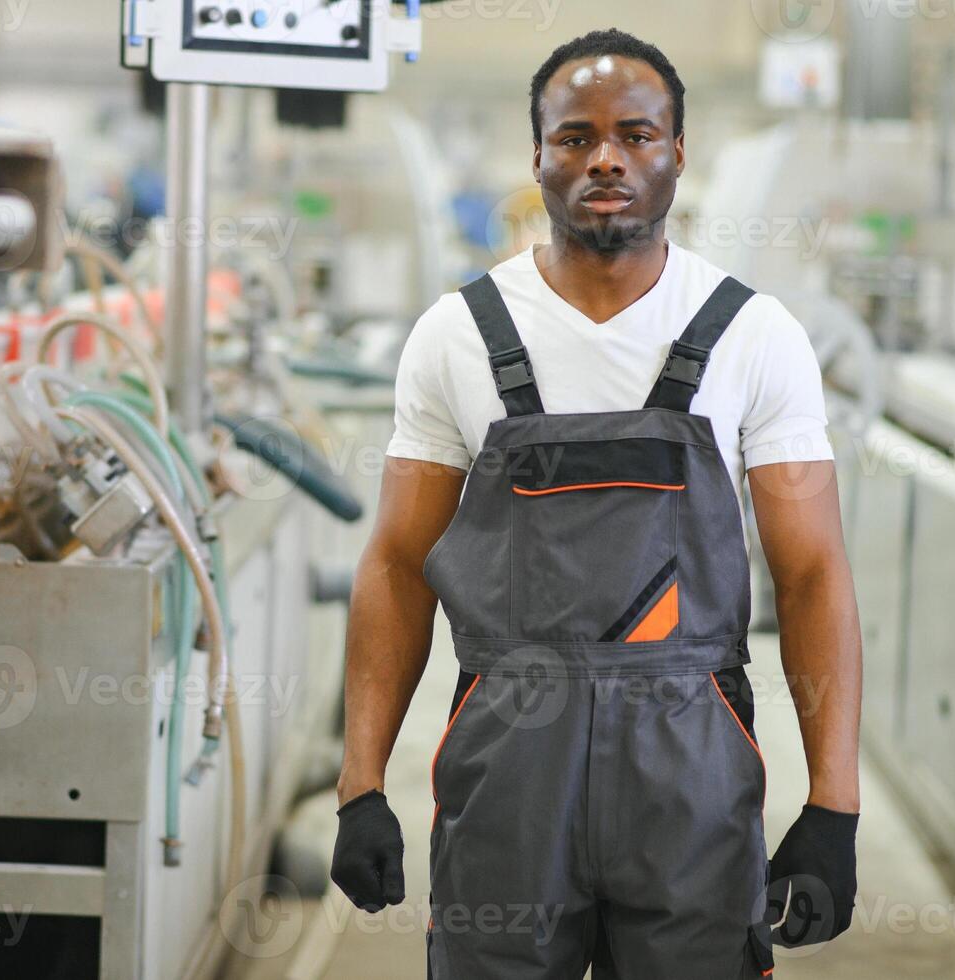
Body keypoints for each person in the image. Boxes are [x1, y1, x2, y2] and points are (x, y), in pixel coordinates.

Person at [331, 28, 863, 979]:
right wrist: (359, 781)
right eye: (574, 136)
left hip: (690, 776)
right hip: (507, 773)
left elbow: (813, 569)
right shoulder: (457, 336)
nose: (606, 156)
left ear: (676, 155)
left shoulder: (751, 336)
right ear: (536, 156)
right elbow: (398, 562)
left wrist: (833, 806)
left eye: (636, 134)